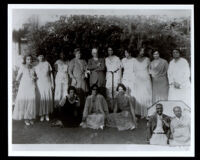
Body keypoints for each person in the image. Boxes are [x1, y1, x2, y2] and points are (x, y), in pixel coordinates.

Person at [13, 55, 37, 126]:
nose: (29, 61)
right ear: (25, 60)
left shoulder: (33, 68)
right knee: (26, 101)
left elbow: (34, 76)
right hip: (24, 87)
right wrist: (22, 82)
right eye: (28, 59)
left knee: (31, 101)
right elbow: (17, 78)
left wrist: (34, 78)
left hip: (31, 86)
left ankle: (30, 117)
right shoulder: (22, 67)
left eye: (30, 59)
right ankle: (26, 118)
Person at [133, 48, 152, 118]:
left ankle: (148, 112)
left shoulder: (147, 59)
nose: (142, 52)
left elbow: (150, 70)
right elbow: (134, 71)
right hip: (138, 79)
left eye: (143, 51)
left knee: (146, 94)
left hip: (146, 78)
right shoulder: (134, 60)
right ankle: (141, 113)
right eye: (141, 51)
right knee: (140, 94)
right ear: (138, 52)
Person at [35, 53, 54, 122]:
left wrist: (52, 84)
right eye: (39, 56)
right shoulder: (36, 65)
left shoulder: (47, 63)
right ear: (37, 57)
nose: (41, 57)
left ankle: (47, 114)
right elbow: (33, 75)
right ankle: (42, 114)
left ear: (43, 56)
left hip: (47, 82)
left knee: (47, 97)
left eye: (42, 55)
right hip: (39, 83)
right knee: (42, 98)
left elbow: (51, 74)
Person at [105, 47, 121, 111]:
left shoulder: (117, 58)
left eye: (111, 50)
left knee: (115, 91)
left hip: (115, 75)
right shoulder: (106, 59)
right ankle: (110, 108)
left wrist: (119, 78)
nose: (110, 51)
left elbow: (119, 68)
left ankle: (115, 108)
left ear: (113, 51)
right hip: (109, 76)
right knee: (109, 91)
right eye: (109, 50)